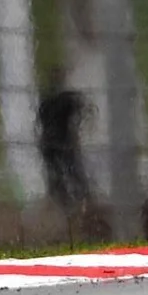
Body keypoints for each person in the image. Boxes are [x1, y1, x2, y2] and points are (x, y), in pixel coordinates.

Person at [36, 67, 92, 230]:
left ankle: (67, 203)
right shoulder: (65, 99)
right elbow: (82, 107)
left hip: (50, 143)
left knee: (60, 175)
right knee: (73, 172)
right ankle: (78, 201)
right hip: (62, 142)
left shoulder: (49, 100)